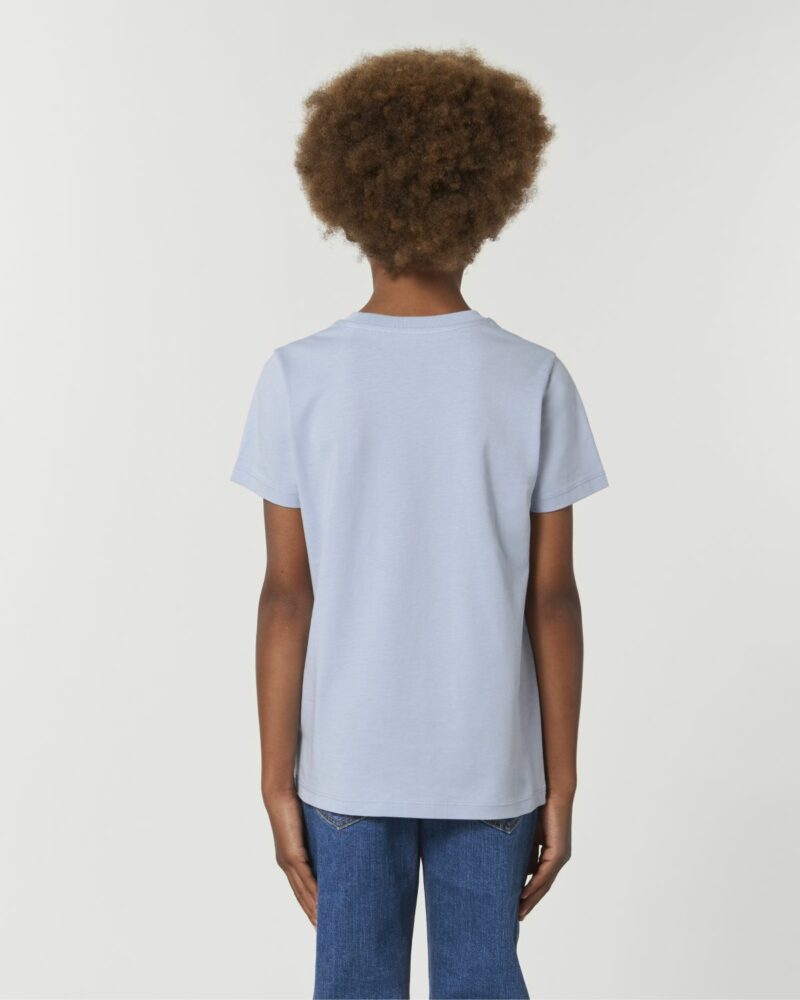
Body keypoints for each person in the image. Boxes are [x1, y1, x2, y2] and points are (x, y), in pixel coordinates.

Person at [231, 47, 608, 1000]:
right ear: (486, 203)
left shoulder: (299, 377)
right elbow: (552, 601)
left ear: (347, 201)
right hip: (492, 770)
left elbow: (286, 595)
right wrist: (561, 783)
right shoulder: (532, 377)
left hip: (347, 767)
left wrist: (276, 780)